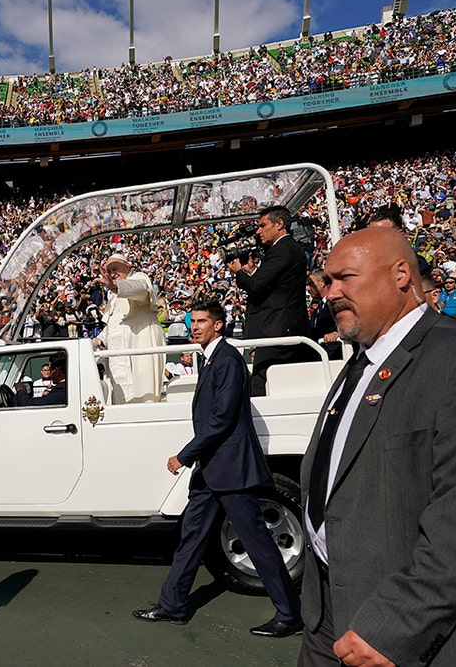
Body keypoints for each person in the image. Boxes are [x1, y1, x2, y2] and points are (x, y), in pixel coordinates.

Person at [299, 228, 456, 666]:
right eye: (327, 281)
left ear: (399, 275)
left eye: (345, 278)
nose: (330, 292)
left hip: (407, 630)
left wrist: (394, 625)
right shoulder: (361, 361)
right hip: (329, 614)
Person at [134, 299, 301, 638]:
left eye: (201, 321)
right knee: (191, 537)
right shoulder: (212, 359)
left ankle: (290, 615)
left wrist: (184, 455)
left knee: (257, 542)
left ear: (218, 325)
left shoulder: (227, 359)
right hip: (212, 470)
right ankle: (173, 605)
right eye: (192, 321)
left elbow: (221, 419)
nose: (194, 326)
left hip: (230, 470)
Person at [227, 206, 310, 396]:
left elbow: (256, 287)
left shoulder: (282, 249)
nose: (258, 231)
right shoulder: (286, 249)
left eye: (263, 225)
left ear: (279, 224)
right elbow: (271, 286)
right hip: (280, 328)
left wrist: (239, 272)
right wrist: (250, 272)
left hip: (277, 331)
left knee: (261, 387)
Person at [94, 253, 166, 403]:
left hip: (140, 345)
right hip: (119, 355)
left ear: (128, 266)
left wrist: (114, 286)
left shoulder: (138, 278)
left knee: (143, 395)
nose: (112, 274)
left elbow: (139, 290)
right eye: (109, 271)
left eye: (115, 268)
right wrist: (100, 338)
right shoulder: (114, 295)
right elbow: (115, 323)